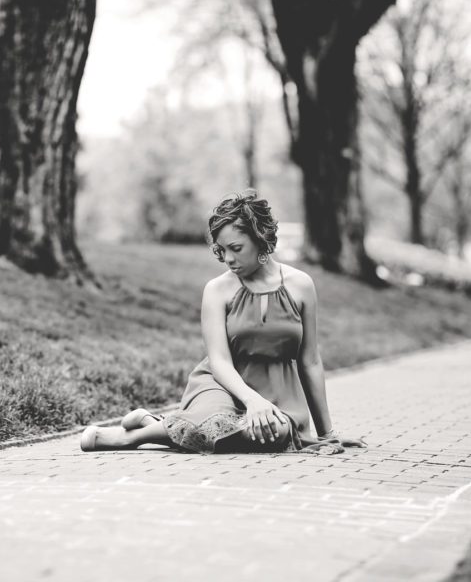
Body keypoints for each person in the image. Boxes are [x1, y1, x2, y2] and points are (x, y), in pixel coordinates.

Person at [80, 189, 366, 454]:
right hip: (222, 386)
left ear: (260, 239)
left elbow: (310, 361)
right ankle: (131, 438)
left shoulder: (301, 285)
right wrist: (252, 400)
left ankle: (156, 423)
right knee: (214, 422)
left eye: (236, 248)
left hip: (279, 395)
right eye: (221, 250)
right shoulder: (217, 290)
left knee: (273, 432)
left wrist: (327, 434)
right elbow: (219, 362)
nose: (228, 258)